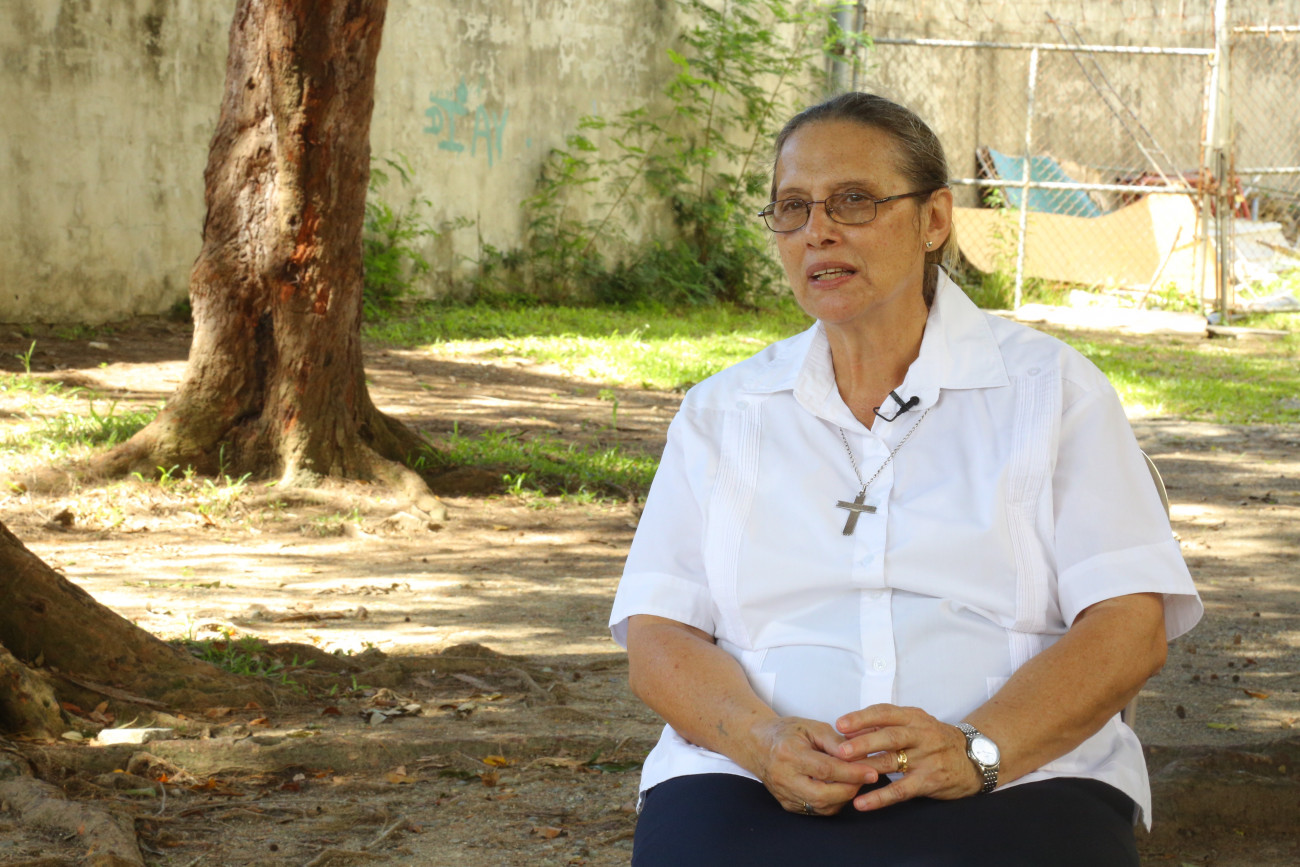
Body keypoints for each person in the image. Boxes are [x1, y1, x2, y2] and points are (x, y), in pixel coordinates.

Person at [608, 92, 1202, 866]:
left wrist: (977, 747)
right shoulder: (724, 413)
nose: (818, 230)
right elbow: (659, 633)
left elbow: (1128, 624)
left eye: (853, 200)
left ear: (934, 219)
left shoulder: (1052, 393)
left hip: (1018, 773)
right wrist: (762, 740)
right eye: (793, 207)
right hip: (750, 776)